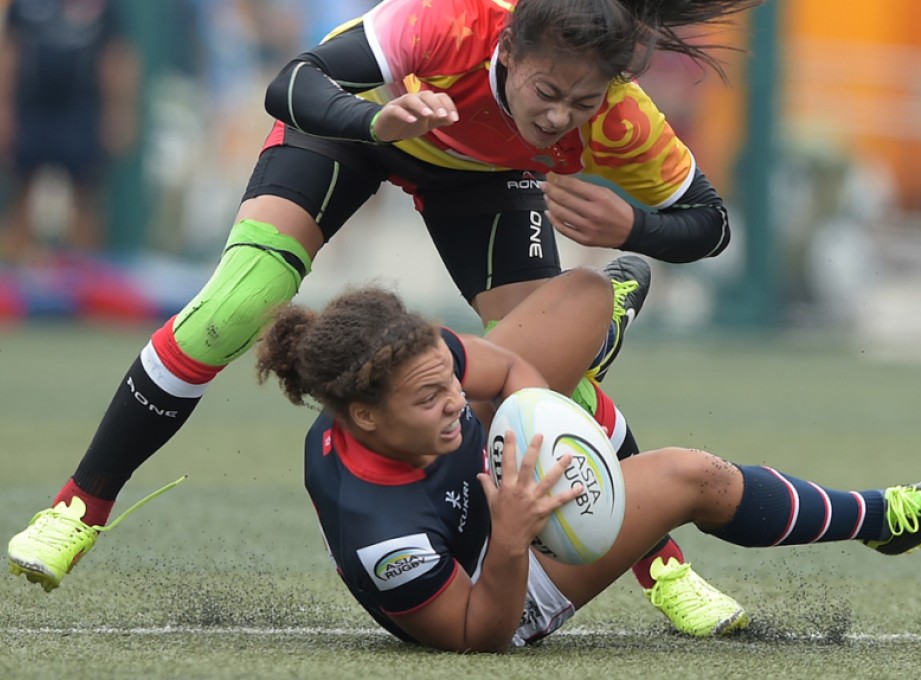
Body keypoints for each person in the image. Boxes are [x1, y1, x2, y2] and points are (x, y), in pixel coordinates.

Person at [7, 0, 763, 636]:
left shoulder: (620, 118)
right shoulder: (449, 22)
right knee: (234, 306)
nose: (561, 116)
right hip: (356, 128)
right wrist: (375, 121)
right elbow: (290, 82)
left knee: (555, 371)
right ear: (507, 50)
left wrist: (632, 227)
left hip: (486, 178)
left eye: (583, 102)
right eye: (546, 92)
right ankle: (78, 509)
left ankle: (663, 569)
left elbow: (712, 224)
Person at [255, 281, 921, 652]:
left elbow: (506, 371)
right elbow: (480, 635)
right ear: (364, 416)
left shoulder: (413, 363)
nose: (453, 396)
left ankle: (588, 375)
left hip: (491, 486)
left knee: (584, 293)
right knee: (693, 477)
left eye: (449, 377)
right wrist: (512, 536)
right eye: (430, 397)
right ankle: (885, 519)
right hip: (494, 579)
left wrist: (542, 421)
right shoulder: (381, 531)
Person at [0, 0, 140, 262]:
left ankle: (87, 272)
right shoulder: (24, 6)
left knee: (85, 199)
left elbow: (116, 58)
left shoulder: (102, 7)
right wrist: (4, 110)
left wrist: (119, 112)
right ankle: (12, 270)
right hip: (30, 108)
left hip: (81, 111)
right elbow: (9, 53)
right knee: (19, 195)